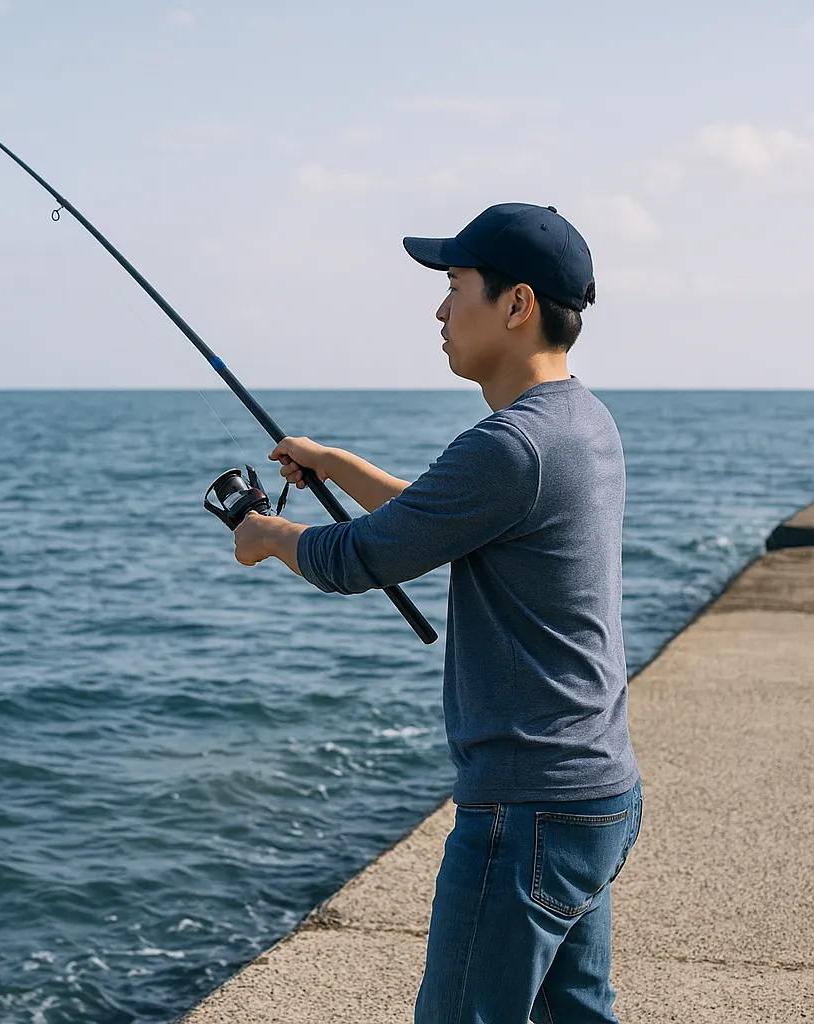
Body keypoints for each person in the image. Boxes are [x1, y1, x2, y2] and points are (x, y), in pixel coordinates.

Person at [232, 202, 643, 1023]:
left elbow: (361, 558)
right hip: (592, 789)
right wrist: (338, 466)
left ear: (516, 304)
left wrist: (267, 534)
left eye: (455, 285)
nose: (440, 309)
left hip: (526, 805)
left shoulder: (511, 445)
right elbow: (439, 515)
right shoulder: (579, 422)